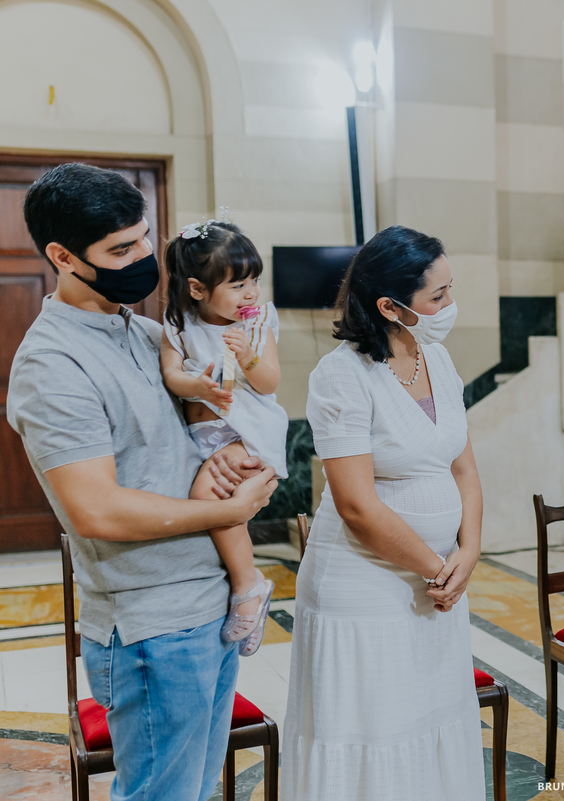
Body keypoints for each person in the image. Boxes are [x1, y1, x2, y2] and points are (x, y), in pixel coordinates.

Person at [8, 163, 278, 801]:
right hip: (152, 625)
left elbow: (199, 435)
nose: (143, 258)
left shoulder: (150, 332)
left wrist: (228, 460)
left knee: (196, 789)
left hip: (208, 601)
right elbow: (97, 511)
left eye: (145, 238)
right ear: (62, 257)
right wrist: (228, 510)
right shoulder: (53, 364)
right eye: (120, 250)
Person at [282, 225, 485, 800]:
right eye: (437, 296)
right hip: (363, 585)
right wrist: (436, 569)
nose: (450, 305)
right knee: (375, 730)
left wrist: (468, 551)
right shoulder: (342, 375)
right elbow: (357, 506)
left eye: (450, 289)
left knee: (431, 718)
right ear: (390, 306)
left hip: (438, 583)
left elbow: (464, 468)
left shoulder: (438, 359)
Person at [161, 220, 290, 654]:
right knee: (218, 509)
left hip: (246, 431)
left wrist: (248, 356)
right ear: (198, 289)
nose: (250, 293)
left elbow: (269, 383)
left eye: (254, 281)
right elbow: (171, 374)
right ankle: (243, 586)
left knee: (207, 498)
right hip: (201, 434)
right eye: (237, 285)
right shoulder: (178, 323)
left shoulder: (258, 323)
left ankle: (248, 585)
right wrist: (197, 386)